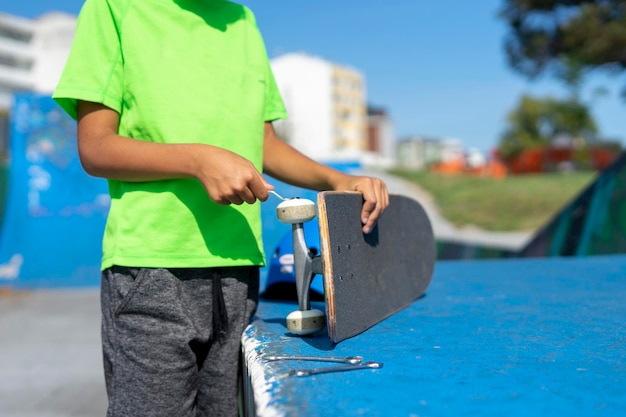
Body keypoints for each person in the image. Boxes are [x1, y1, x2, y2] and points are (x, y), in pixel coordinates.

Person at [53, 0, 388, 416]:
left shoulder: (243, 20)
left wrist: (337, 180)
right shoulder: (113, 8)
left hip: (239, 274)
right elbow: (95, 147)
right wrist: (197, 160)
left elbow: (264, 144)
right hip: (151, 272)